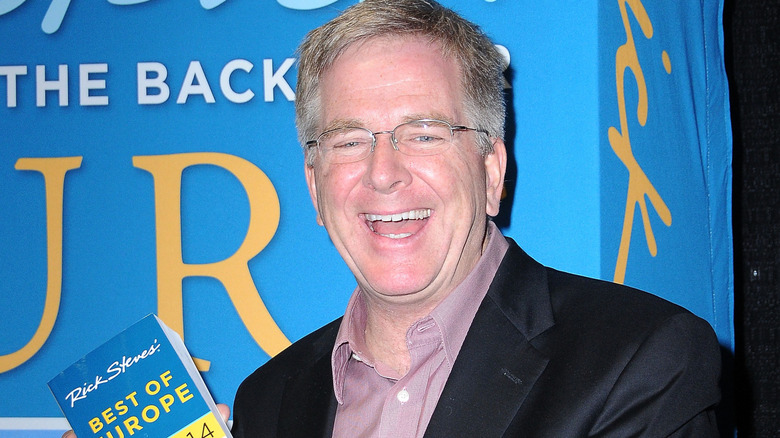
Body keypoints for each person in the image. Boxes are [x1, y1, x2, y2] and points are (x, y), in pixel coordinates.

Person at [64, 1, 720, 437]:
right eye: (349, 140)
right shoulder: (270, 401)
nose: (384, 172)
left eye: (425, 133)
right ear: (315, 187)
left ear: (491, 170)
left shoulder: (641, 361)